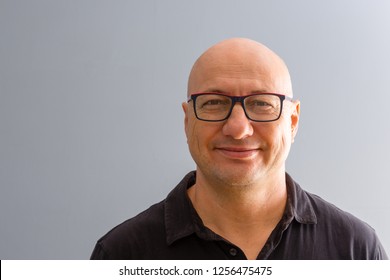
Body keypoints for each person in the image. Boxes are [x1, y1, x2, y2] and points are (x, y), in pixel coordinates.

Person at [90, 38, 388, 260]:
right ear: (187, 120)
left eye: (261, 103)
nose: (238, 128)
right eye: (214, 103)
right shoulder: (122, 254)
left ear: (293, 121)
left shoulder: (356, 250)